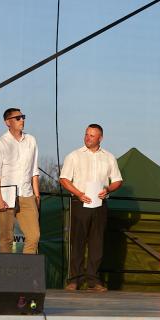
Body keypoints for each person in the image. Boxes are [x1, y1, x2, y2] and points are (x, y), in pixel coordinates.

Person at [59, 124, 123, 292]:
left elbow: (117, 180)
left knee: (97, 243)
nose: (88, 138)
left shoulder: (109, 157)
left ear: (100, 138)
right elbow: (64, 179)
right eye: (86, 134)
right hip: (80, 202)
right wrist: (79, 193)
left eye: (92, 136)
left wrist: (108, 189)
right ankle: (74, 280)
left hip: (100, 204)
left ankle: (93, 280)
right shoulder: (74, 155)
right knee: (77, 242)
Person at [0, 108, 41, 254]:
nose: (22, 120)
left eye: (23, 117)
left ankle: (27, 267)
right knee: (7, 238)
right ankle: (7, 269)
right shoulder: (0, 142)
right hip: (7, 197)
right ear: (8, 122)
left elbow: (34, 171)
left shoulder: (31, 140)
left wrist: (37, 195)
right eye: (17, 118)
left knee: (34, 236)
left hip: (27, 195)